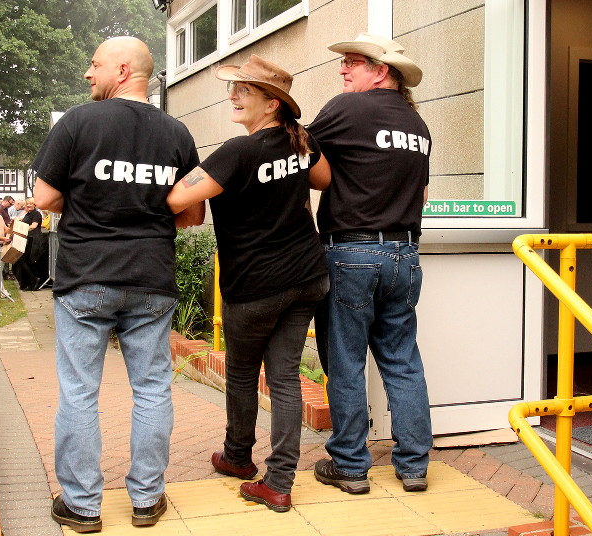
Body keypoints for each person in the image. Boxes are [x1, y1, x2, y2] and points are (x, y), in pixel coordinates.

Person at [31, 36, 202, 532]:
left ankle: (82, 507)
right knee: (151, 390)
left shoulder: (78, 123)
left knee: (80, 392)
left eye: (95, 64)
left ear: (123, 70)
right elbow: (192, 212)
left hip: (87, 276)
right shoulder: (177, 133)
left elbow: (44, 197)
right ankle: (148, 500)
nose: (88, 73)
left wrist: (91, 202)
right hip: (151, 279)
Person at [167, 55, 331, 513]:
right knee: (283, 377)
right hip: (307, 277)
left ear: (272, 103)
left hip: (256, 285)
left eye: (244, 90)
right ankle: (279, 481)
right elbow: (324, 179)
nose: (232, 96)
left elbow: (178, 197)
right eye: (233, 88)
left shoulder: (237, 153)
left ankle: (239, 458)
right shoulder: (301, 143)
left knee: (241, 373)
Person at [306, 33, 433, 494]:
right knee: (402, 360)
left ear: (382, 71)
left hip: (351, 254)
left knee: (345, 362)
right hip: (405, 254)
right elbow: (420, 194)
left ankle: (350, 465)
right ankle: (415, 465)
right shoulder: (418, 127)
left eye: (353, 63)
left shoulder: (348, 109)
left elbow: (296, 157)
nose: (343, 71)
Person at [12, 197, 43, 290]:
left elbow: (34, 226)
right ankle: (30, 281)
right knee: (23, 261)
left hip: (33, 240)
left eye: (31, 204)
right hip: (27, 239)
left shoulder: (36, 214)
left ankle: (34, 279)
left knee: (26, 260)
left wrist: (21, 229)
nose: (29, 205)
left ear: (35, 205)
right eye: (27, 204)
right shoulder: (27, 214)